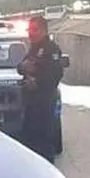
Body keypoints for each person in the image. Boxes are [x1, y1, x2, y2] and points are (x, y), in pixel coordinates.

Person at [16, 15, 65, 160]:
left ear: (44, 30)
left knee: (44, 145)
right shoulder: (34, 49)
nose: (31, 33)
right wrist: (23, 68)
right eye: (30, 29)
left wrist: (37, 83)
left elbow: (55, 74)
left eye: (35, 30)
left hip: (44, 104)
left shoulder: (51, 49)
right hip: (30, 104)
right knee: (29, 143)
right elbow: (21, 67)